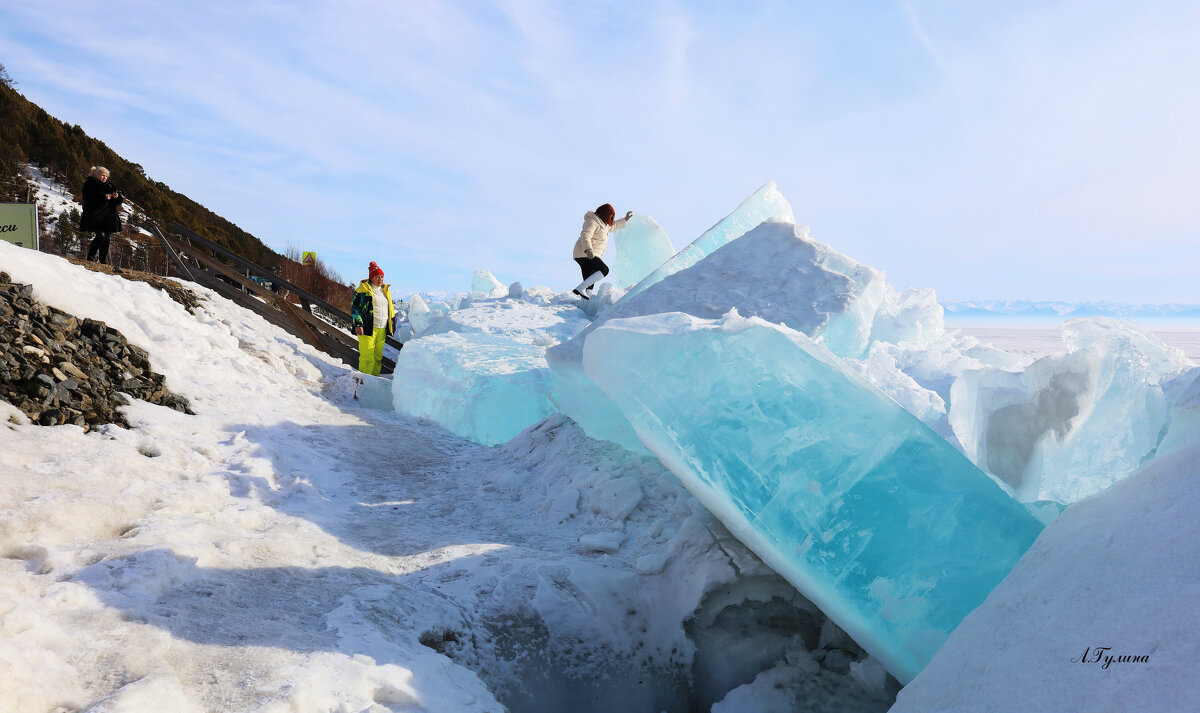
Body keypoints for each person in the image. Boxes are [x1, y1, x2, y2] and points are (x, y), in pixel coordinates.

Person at [571, 203, 632, 299]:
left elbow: (614, 225)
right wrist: (588, 249)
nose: (611, 217)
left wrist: (625, 219)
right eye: (610, 215)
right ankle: (580, 288)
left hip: (589, 253)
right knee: (604, 270)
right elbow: (586, 234)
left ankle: (584, 304)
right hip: (585, 252)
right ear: (605, 213)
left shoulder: (604, 225)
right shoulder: (592, 220)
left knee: (590, 279)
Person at [351, 261, 396, 376]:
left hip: (382, 328)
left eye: (382, 276)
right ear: (371, 277)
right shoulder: (362, 290)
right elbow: (355, 308)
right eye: (377, 276)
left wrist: (392, 323)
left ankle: (374, 383)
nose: (380, 279)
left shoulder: (385, 291)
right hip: (367, 327)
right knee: (367, 357)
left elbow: (389, 308)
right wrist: (358, 324)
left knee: (377, 357)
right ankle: (363, 384)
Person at [79, 166, 123, 265]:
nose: (105, 177)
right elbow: (88, 197)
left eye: (106, 176)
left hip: (109, 216)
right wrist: (103, 197)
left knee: (107, 238)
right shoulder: (90, 184)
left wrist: (117, 197)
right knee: (101, 236)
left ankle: (102, 261)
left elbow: (119, 200)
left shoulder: (109, 185)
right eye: (103, 175)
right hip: (95, 215)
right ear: (97, 174)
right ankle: (90, 258)